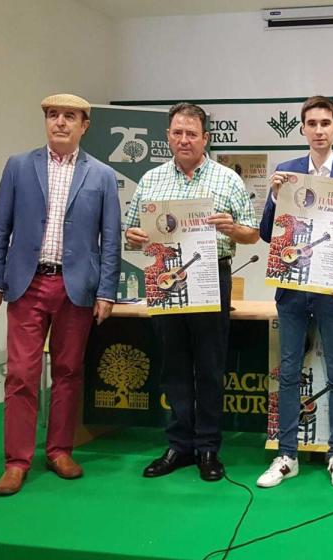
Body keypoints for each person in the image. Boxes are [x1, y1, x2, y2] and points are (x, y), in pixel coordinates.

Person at [0, 93, 120, 496]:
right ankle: (16, 461)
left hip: (76, 287)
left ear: (84, 125)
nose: (60, 123)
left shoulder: (102, 176)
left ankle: (59, 450)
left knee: (68, 372)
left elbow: (110, 240)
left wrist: (107, 290)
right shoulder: (19, 167)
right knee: (21, 374)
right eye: (53, 116)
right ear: (46, 121)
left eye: (70, 116)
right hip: (26, 284)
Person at [124, 103, 258, 482]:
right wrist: (133, 236)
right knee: (174, 364)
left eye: (192, 133)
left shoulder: (226, 179)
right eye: (177, 132)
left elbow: (252, 234)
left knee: (210, 366)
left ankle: (208, 448)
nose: (184, 140)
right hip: (165, 274)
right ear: (168, 136)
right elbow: (132, 231)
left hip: (211, 276)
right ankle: (179, 445)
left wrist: (232, 228)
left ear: (206, 139)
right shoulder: (150, 180)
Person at [256, 96, 333, 489]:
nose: (319, 129)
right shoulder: (286, 172)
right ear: (303, 129)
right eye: (312, 123)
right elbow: (265, 233)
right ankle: (287, 455)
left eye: (326, 122)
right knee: (289, 372)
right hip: (292, 290)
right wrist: (275, 197)